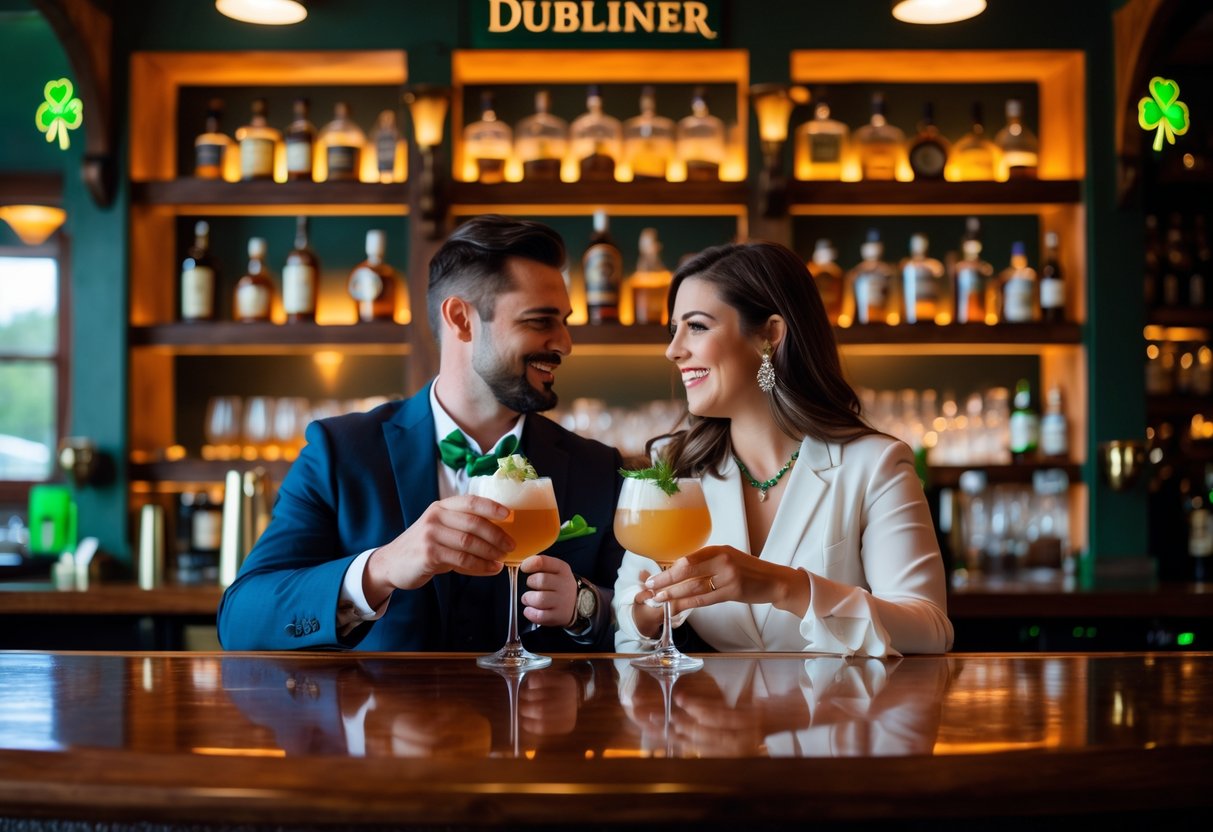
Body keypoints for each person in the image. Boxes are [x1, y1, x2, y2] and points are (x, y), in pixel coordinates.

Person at [218, 215, 624, 652]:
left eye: (564, 321)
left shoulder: (596, 468)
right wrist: (380, 569)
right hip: (377, 720)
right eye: (540, 321)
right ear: (461, 320)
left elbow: (662, 624)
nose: (564, 343)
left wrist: (586, 604)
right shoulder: (339, 453)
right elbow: (241, 620)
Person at [613, 241, 954, 657]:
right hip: (715, 720)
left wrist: (786, 587)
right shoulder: (675, 464)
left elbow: (930, 630)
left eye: (697, 327)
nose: (673, 349)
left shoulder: (875, 464)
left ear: (770, 335)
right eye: (674, 330)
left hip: (843, 718)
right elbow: (629, 613)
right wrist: (649, 614)